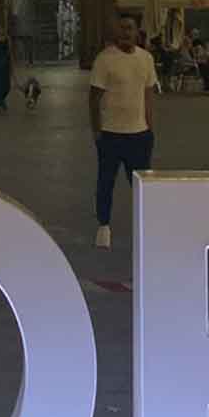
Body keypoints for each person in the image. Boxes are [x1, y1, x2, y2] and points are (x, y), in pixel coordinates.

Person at [89, 13, 158, 250]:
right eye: (121, 28)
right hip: (111, 133)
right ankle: (103, 226)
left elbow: (148, 94)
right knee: (106, 181)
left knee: (141, 184)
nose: (125, 33)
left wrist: (150, 127)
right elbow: (94, 98)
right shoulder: (104, 60)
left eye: (129, 28)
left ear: (138, 31)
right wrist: (96, 131)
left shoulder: (146, 59)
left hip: (139, 133)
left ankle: (147, 225)